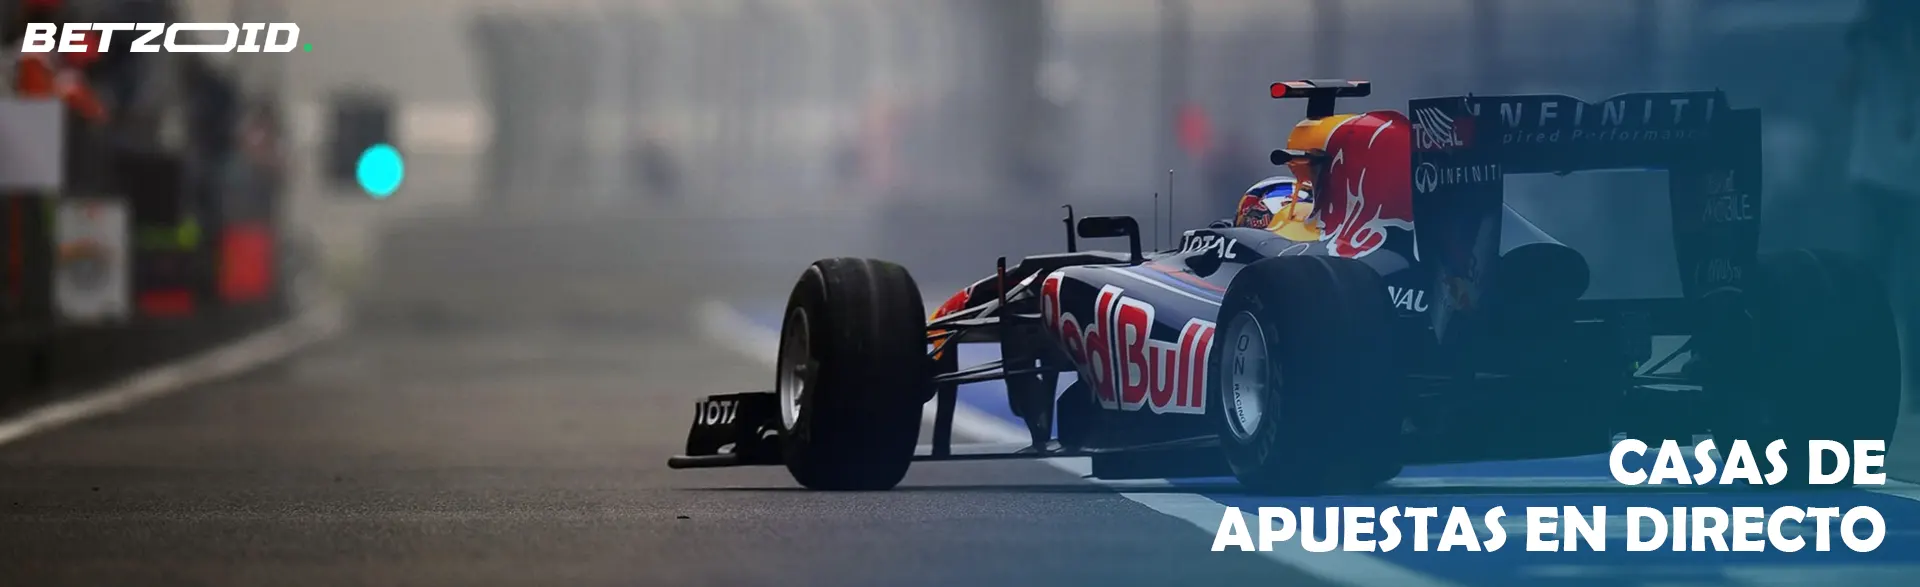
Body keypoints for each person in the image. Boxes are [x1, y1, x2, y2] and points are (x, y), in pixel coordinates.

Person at [1844, 0, 1920, 413]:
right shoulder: (1870, 48)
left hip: (1902, 181)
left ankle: (1906, 382)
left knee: (1910, 288)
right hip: (1877, 177)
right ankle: (1863, 373)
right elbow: (1847, 87)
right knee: (1872, 283)